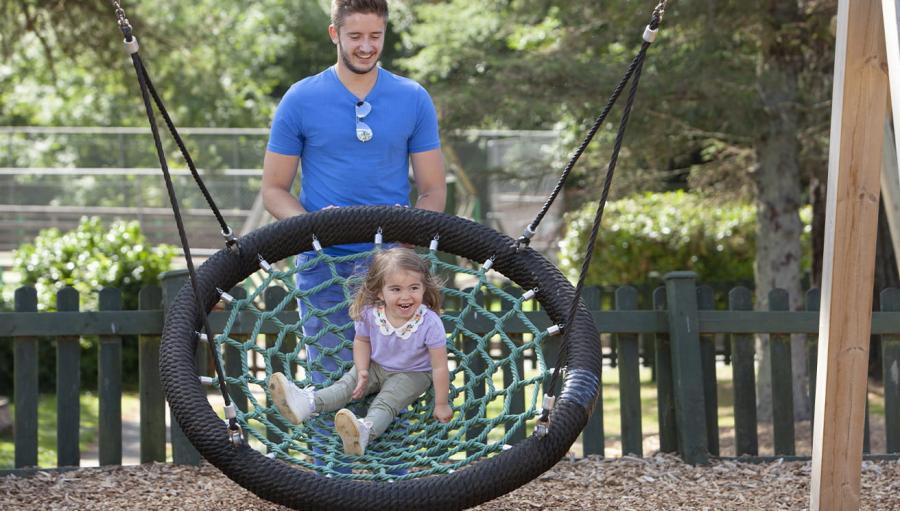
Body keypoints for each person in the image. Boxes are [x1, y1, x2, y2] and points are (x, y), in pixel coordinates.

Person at [260, 0, 446, 398]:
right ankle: (330, 464)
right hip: (324, 263)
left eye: (375, 36)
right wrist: (313, 226)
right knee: (328, 377)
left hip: (391, 270)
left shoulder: (412, 97)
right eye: (355, 36)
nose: (366, 46)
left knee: (396, 379)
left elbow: (432, 190)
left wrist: (409, 235)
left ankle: (394, 466)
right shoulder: (300, 98)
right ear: (334, 34)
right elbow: (274, 190)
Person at [269, 248, 453, 455]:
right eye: (395, 289)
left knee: (387, 401)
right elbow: (362, 341)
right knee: (346, 385)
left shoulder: (429, 322)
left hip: (414, 373)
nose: (406, 296)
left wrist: (441, 403)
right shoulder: (371, 314)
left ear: (423, 288)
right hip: (376, 365)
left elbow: (439, 366)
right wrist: (363, 369)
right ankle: (308, 403)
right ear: (379, 292)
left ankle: (365, 431)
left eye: (414, 288)